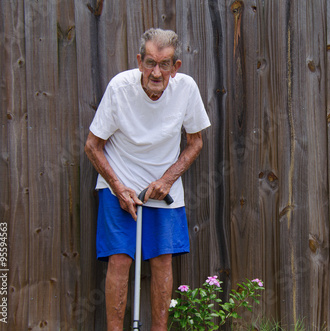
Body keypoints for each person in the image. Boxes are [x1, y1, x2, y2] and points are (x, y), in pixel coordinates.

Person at [84, 28, 210, 331]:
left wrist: (167, 180)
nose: (156, 72)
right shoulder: (119, 88)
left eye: (165, 64)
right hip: (120, 183)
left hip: (163, 189)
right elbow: (92, 146)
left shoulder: (186, 89)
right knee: (120, 261)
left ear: (175, 67)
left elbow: (195, 142)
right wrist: (118, 188)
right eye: (150, 62)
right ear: (140, 61)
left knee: (163, 261)